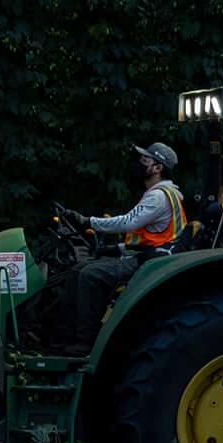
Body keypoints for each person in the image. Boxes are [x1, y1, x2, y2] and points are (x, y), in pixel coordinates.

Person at [56, 142, 186, 353]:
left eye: (145, 160)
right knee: (78, 270)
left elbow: (128, 222)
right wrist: (114, 250)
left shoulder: (159, 196)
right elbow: (148, 239)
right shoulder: (161, 194)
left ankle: (85, 343)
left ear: (158, 167)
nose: (139, 163)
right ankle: (63, 338)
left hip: (149, 264)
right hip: (148, 257)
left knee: (91, 274)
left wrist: (87, 221)